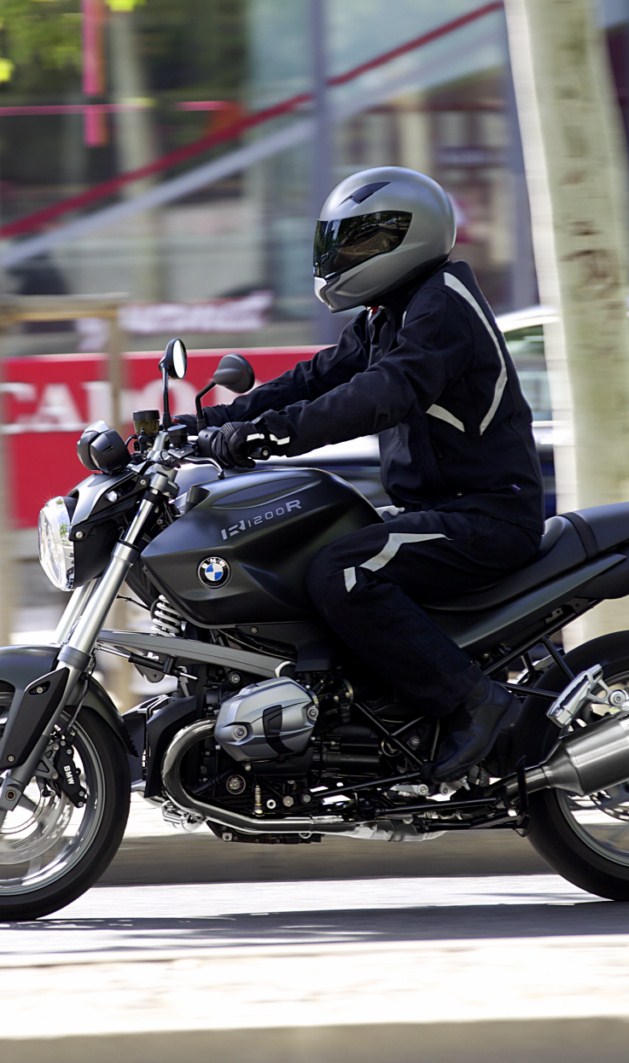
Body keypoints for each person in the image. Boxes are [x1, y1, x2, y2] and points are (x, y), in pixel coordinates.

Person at [186, 166, 545, 782]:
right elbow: (319, 376)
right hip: (438, 511)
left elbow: (384, 391)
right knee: (307, 553)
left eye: (359, 242)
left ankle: (475, 702)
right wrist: (214, 420)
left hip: (486, 515)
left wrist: (276, 434)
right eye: (338, 243)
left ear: (408, 236)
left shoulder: (443, 305)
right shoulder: (392, 312)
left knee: (344, 571)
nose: (342, 257)